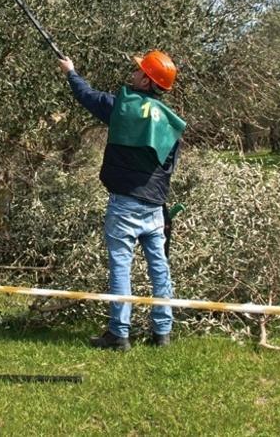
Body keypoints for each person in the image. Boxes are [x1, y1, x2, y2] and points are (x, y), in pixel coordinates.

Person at [60, 50, 185, 351]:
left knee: (120, 266)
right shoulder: (171, 122)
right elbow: (169, 166)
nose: (133, 72)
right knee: (159, 267)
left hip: (124, 204)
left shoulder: (123, 108)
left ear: (147, 79)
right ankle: (163, 332)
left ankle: (118, 334)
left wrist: (71, 72)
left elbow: (88, 97)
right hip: (155, 205)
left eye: (139, 70)